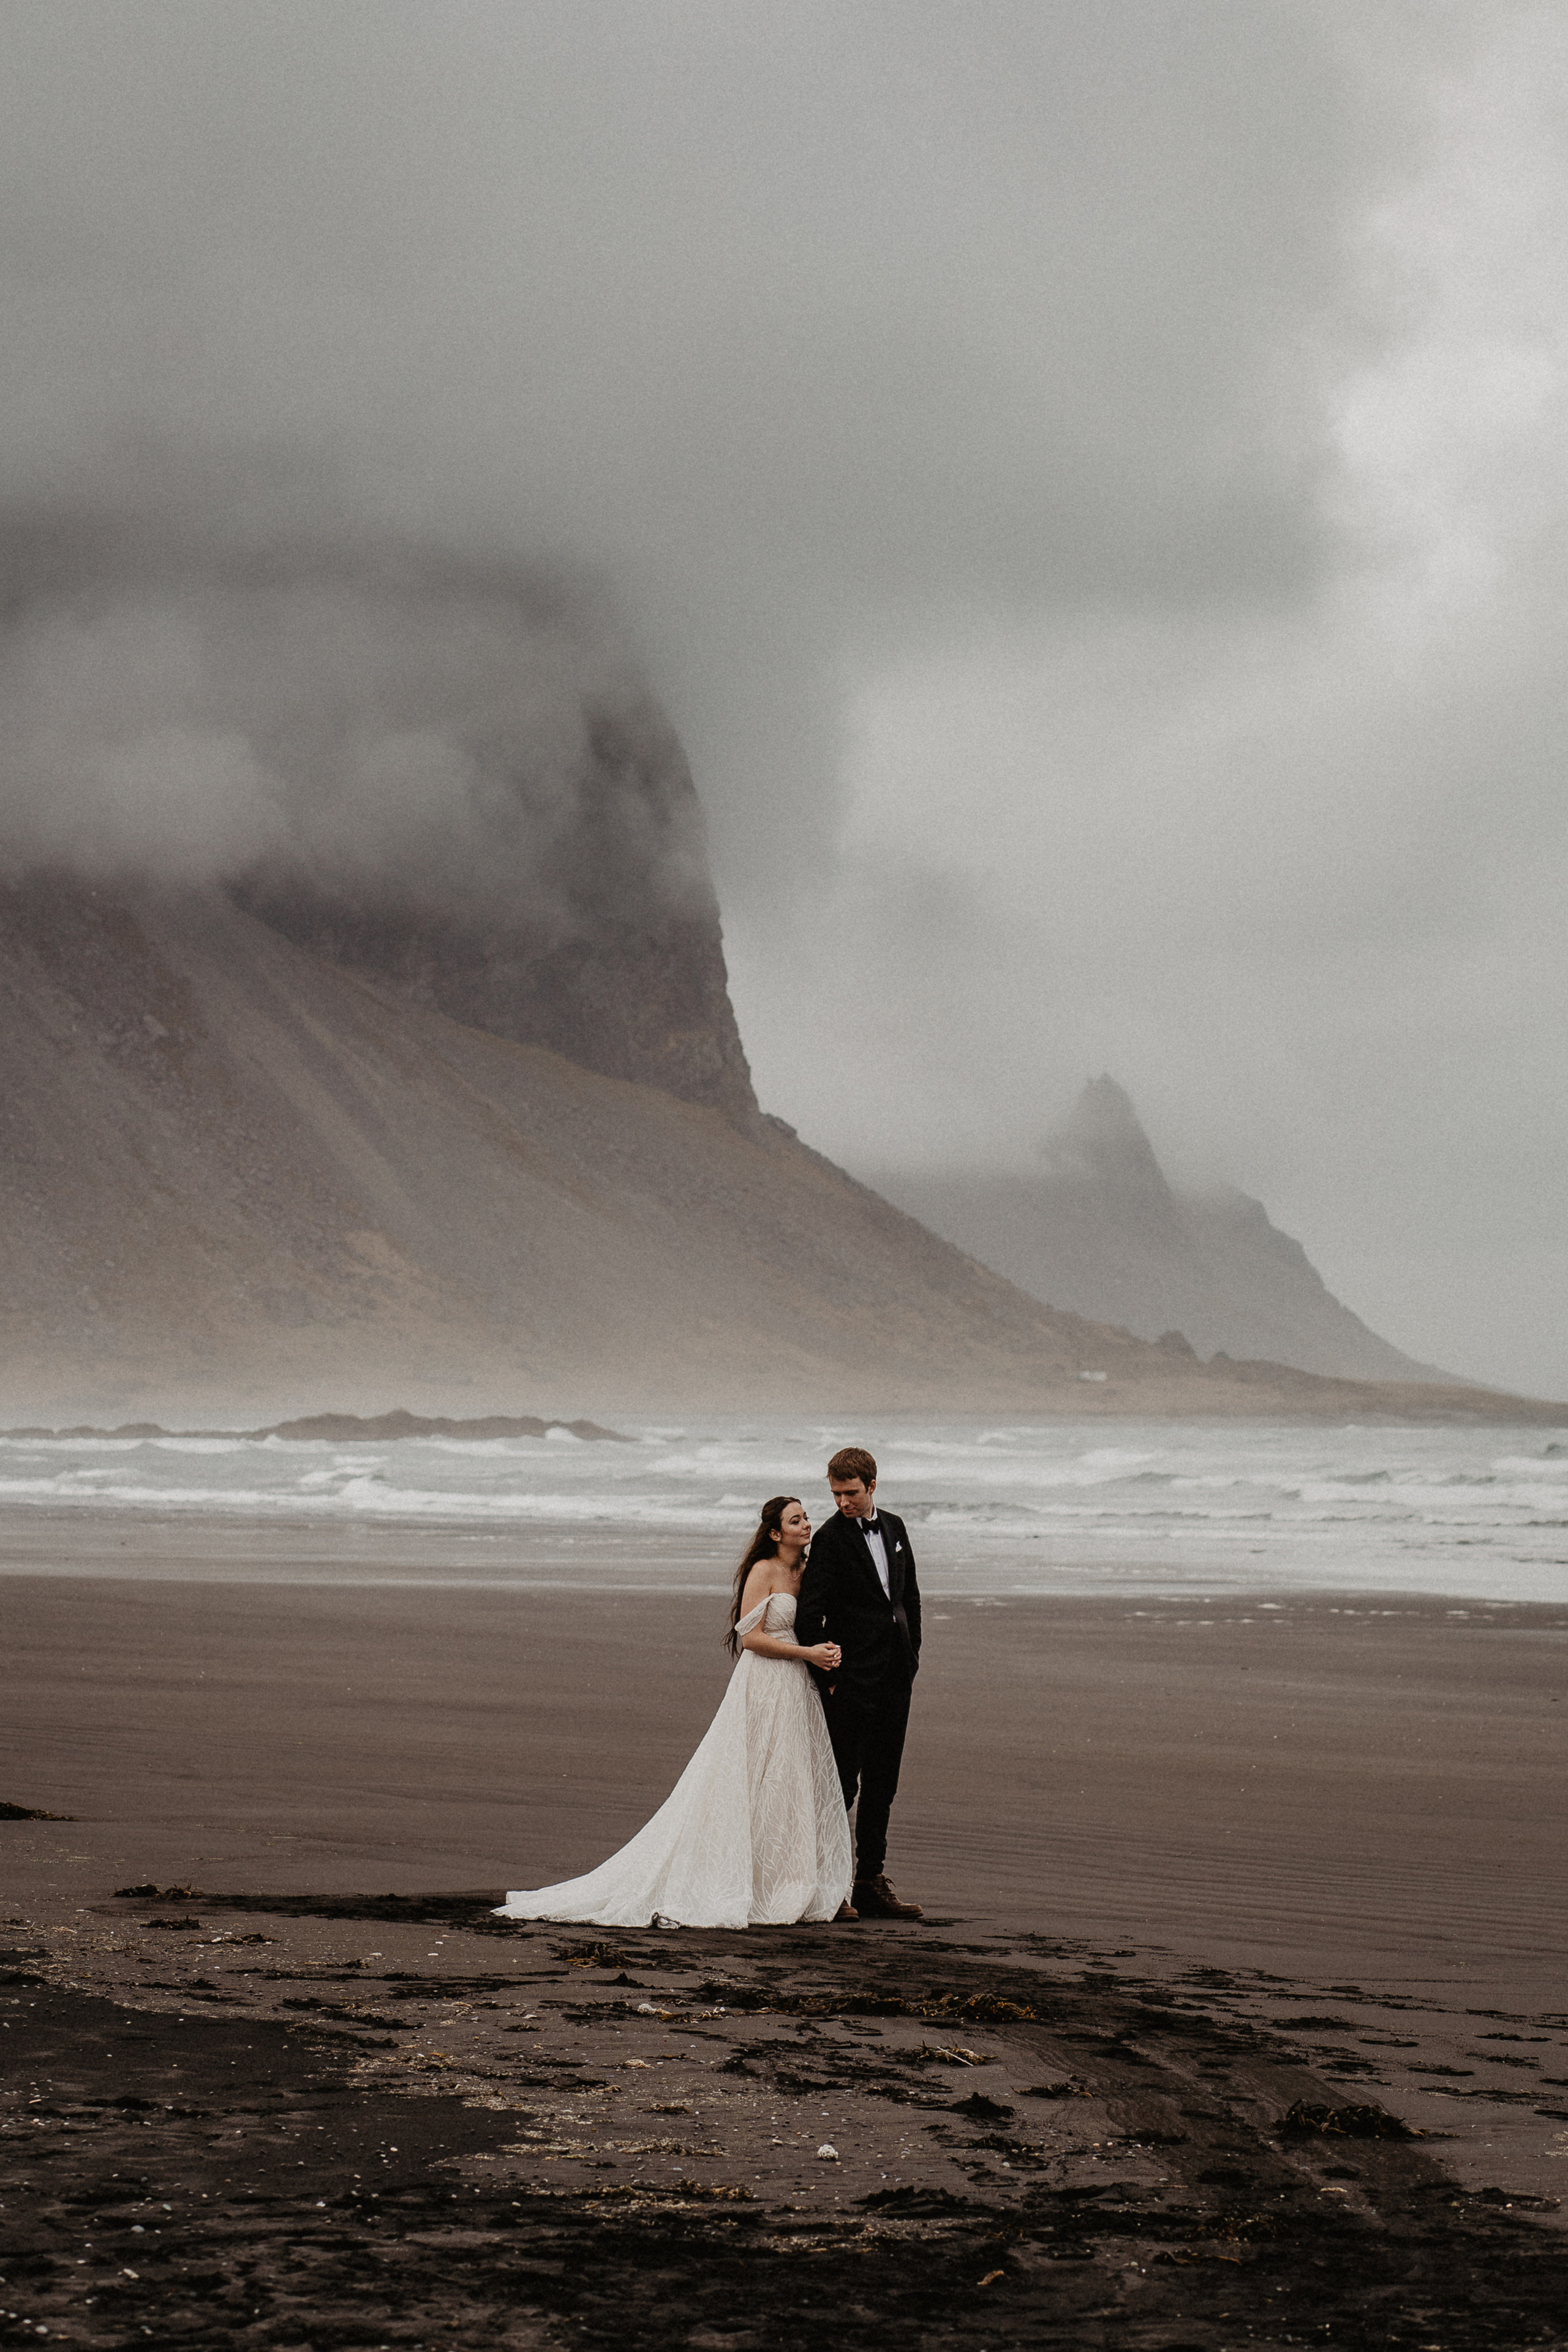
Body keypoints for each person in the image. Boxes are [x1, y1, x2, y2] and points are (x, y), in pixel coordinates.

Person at [494, 1497, 853, 1929]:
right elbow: (751, 1638)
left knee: (788, 1778)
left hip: (796, 1686)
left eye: (806, 1518)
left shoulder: (807, 1570)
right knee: (748, 1772)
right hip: (763, 1682)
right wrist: (806, 1653)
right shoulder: (764, 1570)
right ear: (776, 1533)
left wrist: (824, 1653)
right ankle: (732, 1879)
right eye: (796, 1521)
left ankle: (780, 1878)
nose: (806, 1525)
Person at [795, 1445, 924, 1920]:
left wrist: (912, 1655)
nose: (843, 1503)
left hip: (895, 1677)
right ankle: (830, 1886)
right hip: (849, 1681)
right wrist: (826, 1674)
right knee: (841, 1786)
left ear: (872, 1486)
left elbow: (908, 1597)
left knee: (883, 1784)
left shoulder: (895, 1527)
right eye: (835, 1494)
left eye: (851, 1493)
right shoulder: (829, 1539)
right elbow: (811, 1613)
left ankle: (870, 1880)